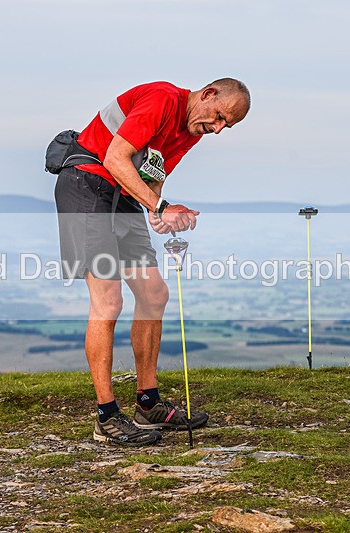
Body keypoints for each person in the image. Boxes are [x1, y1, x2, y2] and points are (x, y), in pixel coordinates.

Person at [53, 78, 250, 446]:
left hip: (121, 193)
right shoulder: (162, 98)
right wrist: (158, 206)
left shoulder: (191, 131)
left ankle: (147, 403)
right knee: (108, 301)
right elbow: (115, 157)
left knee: (154, 294)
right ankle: (106, 417)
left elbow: (152, 180)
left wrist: (162, 213)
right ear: (207, 94)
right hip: (85, 184)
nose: (218, 129)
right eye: (220, 117)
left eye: (227, 126)